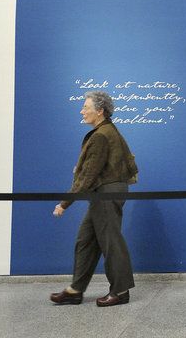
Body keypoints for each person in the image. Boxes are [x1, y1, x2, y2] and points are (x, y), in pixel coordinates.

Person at [50, 90, 137, 307]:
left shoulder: (101, 135)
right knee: (85, 240)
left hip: (106, 194)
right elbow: (96, 170)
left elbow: (87, 176)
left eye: (86, 107)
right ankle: (75, 290)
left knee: (111, 242)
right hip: (105, 192)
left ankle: (121, 291)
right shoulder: (106, 131)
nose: (81, 111)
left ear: (100, 111)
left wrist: (64, 203)